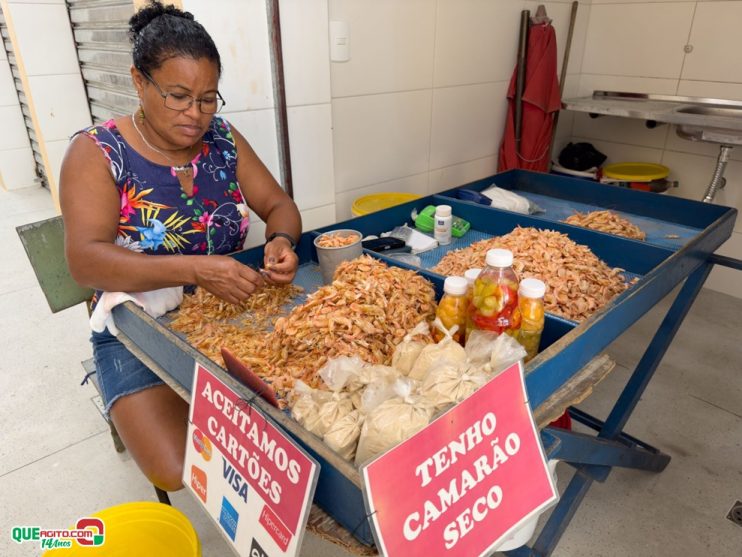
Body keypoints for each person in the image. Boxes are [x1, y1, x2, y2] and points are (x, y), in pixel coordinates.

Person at [59, 1, 301, 492]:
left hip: (231, 307)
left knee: (300, 423)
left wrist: (281, 241)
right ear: (139, 81)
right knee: (178, 468)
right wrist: (195, 270)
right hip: (137, 322)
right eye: (178, 96)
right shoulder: (98, 152)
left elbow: (279, 204)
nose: (195, 114)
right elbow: (84, 260)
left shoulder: (223, 142)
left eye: (208, 99)